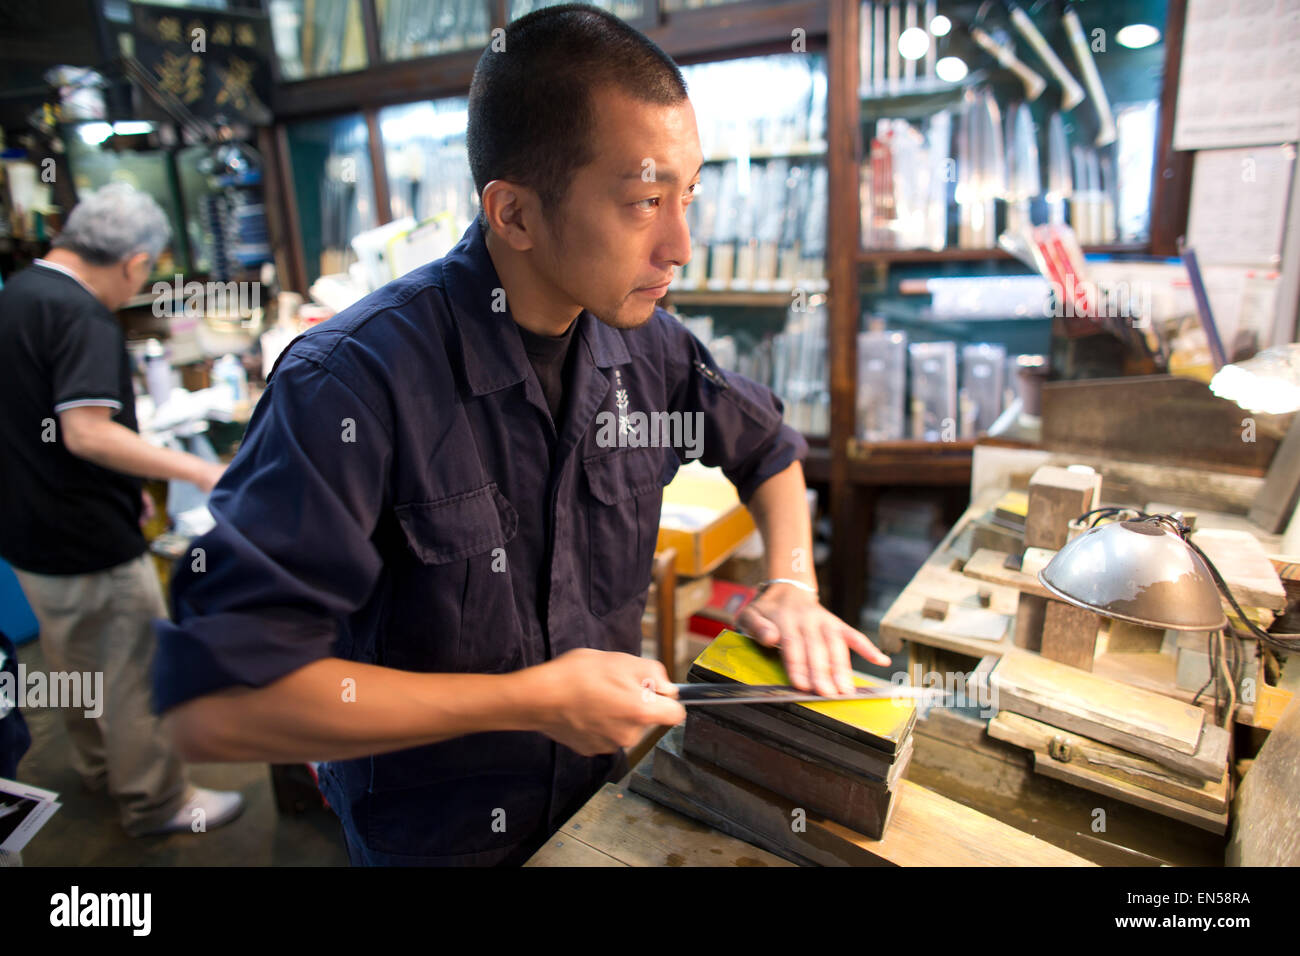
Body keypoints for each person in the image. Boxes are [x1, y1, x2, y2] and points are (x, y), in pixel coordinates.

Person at [155, 4, 891, 866]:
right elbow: (214, 704)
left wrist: (793, 583)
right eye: (645, 203)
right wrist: (527, 699)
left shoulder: (645, 342)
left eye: (688, 197)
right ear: (514, 215)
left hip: (599, 810)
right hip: (436, 839)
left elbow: (767, 449)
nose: (680, 245)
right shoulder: (350, 385)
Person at [0, 182, 244, 837]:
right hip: (88, 538)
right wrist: (202, 470)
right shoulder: (80, 313)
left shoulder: (17, 295)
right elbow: (86, 431)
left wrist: (123, 483)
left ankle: (102, 769)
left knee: (74, 663)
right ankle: (158, 803)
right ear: (135, 263)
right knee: (136, 667)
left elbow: (34, 421)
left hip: (29, 533)